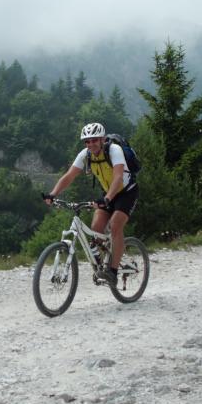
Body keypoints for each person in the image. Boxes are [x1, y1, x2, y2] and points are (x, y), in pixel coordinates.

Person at [43, 122, 139, 286]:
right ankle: (103, 263)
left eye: (94, 140)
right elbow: (69, 176)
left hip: (126, 192)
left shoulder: (114, 150)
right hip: (108, 194)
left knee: (115, 226)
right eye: (87, 141)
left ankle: (113, 271)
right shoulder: (85, 155)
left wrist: (107, 198)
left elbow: (117, 177)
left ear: (102, 139)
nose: (90, 144)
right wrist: (53, 194)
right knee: (96, 229)